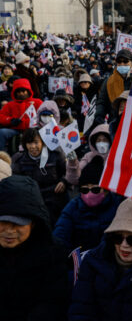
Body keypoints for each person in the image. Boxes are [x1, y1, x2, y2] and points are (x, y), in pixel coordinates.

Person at [0, 175, 69, 320]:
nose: (10, 230)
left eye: (18, 223)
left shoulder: (54, 255)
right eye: (3, 222)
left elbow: (53, 303)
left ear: (34, 223)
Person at [54, 156, 123, 252]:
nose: (89, 194)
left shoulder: (118, 206)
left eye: (95, 189)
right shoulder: (73, 207)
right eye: (85, 190)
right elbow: (60, 235)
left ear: (106, 190)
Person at [12, 128, 68, 226]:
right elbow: (16, 181)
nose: (33, 147)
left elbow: (67, 172)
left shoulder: (55, 155)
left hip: (53, 195)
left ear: (43, 142)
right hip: (31, 197)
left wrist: (63, 181)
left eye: (36, 142)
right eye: (29, 143)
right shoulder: (19, 159)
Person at [94, 49, 132, 127]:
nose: (122, 64)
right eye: (119, 61)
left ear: (131, 63)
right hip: (114, 123)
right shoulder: (108, 81)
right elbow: (102, 102)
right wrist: (99, 116)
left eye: (125, 61)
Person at [0, 78, 43, 150]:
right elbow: (1, 116)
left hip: (34, 130)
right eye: (18, 91)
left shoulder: (37, 102)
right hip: (16, 130)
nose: (21, 93)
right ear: (15, 92)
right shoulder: (10, 104)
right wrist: (10, 120)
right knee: (2, 132)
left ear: (28, 91)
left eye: (23, 91)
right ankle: (3, 154)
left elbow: (43, 114)